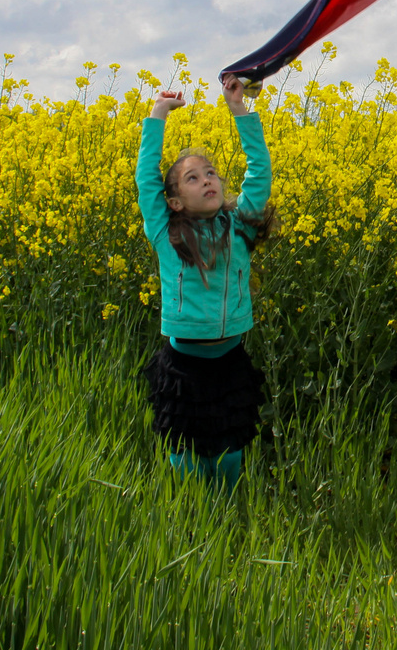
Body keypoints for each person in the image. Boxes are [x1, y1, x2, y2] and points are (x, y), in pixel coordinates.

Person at [137, 75, 276, 494]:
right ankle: (191, 518)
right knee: (184, 455)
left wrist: (239, 111)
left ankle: (227, 517)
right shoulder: (166, 234)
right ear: (175, 201)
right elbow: (147, 183)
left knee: (230, 451)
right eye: (193, 178)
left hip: (230, 360)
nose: (208, 180)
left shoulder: (238, 227)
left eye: (211, 173)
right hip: (185, 365)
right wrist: (156, 117)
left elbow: (260, 173)